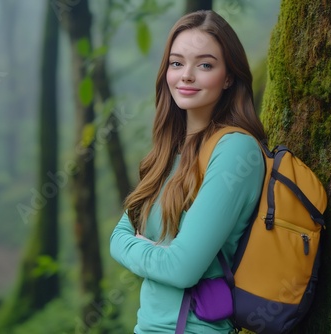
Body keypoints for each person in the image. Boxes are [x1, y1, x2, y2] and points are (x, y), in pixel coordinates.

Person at [110, 10, 266, 334]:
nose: (186, 76)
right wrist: (157, 254)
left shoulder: (235, 150)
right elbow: (116, 238)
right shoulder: (169, 152)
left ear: (228, 76)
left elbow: (181, 269)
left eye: (205, 65)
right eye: (177, 63)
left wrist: (142, 249)